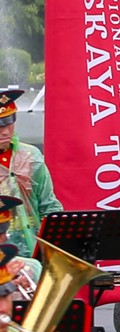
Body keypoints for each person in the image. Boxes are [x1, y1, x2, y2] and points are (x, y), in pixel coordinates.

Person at [0, 87, 61, 258]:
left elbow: (49, 206)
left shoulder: (31, 156)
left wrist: (53, 249)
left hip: (34, 252)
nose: (5, 131)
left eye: (8, 122)